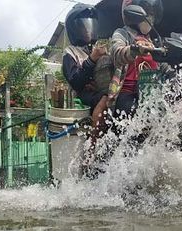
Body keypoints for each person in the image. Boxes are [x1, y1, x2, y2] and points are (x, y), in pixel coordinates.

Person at [109, 0, 165, 119]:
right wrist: (134, 50)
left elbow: (163, 65)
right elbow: (116, 53)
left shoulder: (153, 41)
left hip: (150, 93)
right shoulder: (122, 34)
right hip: (128, 93)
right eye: (147, 12)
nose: (150, 17)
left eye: (152, 14)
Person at [62, 4, 109, 144]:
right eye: (83, 27)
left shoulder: (97, 49)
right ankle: (92, 146)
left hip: (97, 92)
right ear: (75, 29)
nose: (88, 30)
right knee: (105, 99)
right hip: (79, 96)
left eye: (90, 26)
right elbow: (75, 80)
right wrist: (92, 60)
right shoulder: (70, 52)